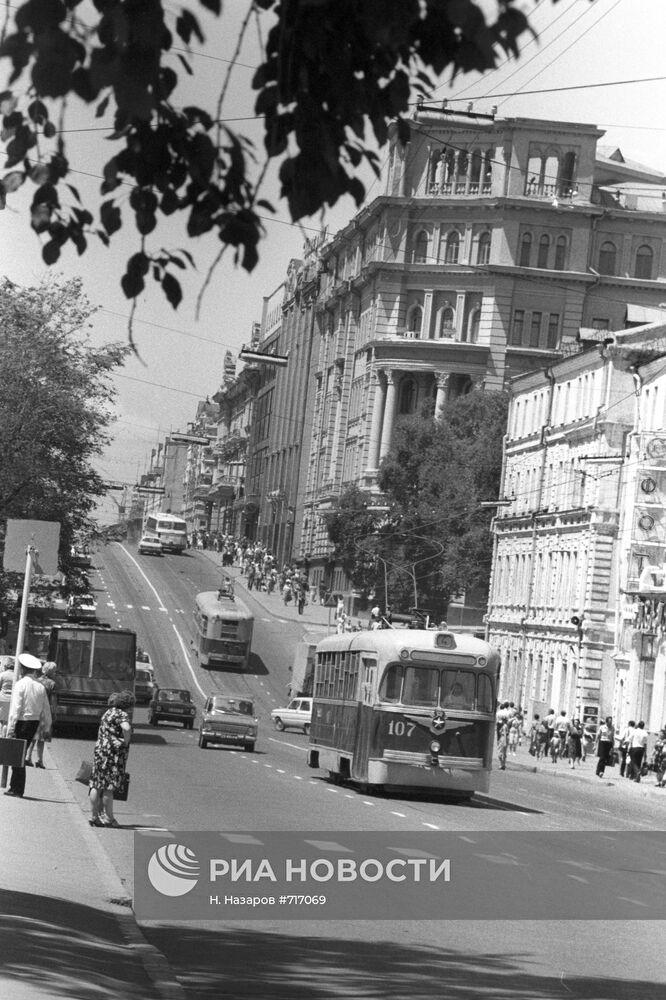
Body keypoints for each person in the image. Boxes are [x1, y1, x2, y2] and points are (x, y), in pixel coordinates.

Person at [5, 653, 52, 798]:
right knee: (21, 753)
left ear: (23, 669)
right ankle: (15, 787)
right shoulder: (40, 687)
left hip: (21, 722)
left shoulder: (20, 684)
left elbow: (15, 709)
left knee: (16, 754)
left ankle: (17, 788)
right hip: (33, 723)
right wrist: (47, 727)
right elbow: (46, 709)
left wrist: (10, 729)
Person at [89, 690, 135, 827]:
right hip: (113, 754)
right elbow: (126, 728)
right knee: (109, 787)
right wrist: (125, 741)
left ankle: (93, 816)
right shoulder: (122, 714)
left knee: (96, 785)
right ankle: (109, 818)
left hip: (100, 751)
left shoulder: (108, 712)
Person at [25, 661, 57, 768]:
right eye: (54, 671)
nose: (55, 673)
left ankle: (28, 757)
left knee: (33, 735)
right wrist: (54, 713)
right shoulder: (52, 684)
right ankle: (39, 760)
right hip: (46, 712)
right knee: (42, 737)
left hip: (36, 710)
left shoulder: (37, 680)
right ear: (51, 672)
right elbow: (53, 701)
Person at [0, 655, 14, 737]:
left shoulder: (2, 675)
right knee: (7, 721)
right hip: (12, 700)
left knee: (1, 720)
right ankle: (4, 736)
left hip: (2, 698)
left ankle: (1, 736)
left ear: (5, 666)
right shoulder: (17, 675)